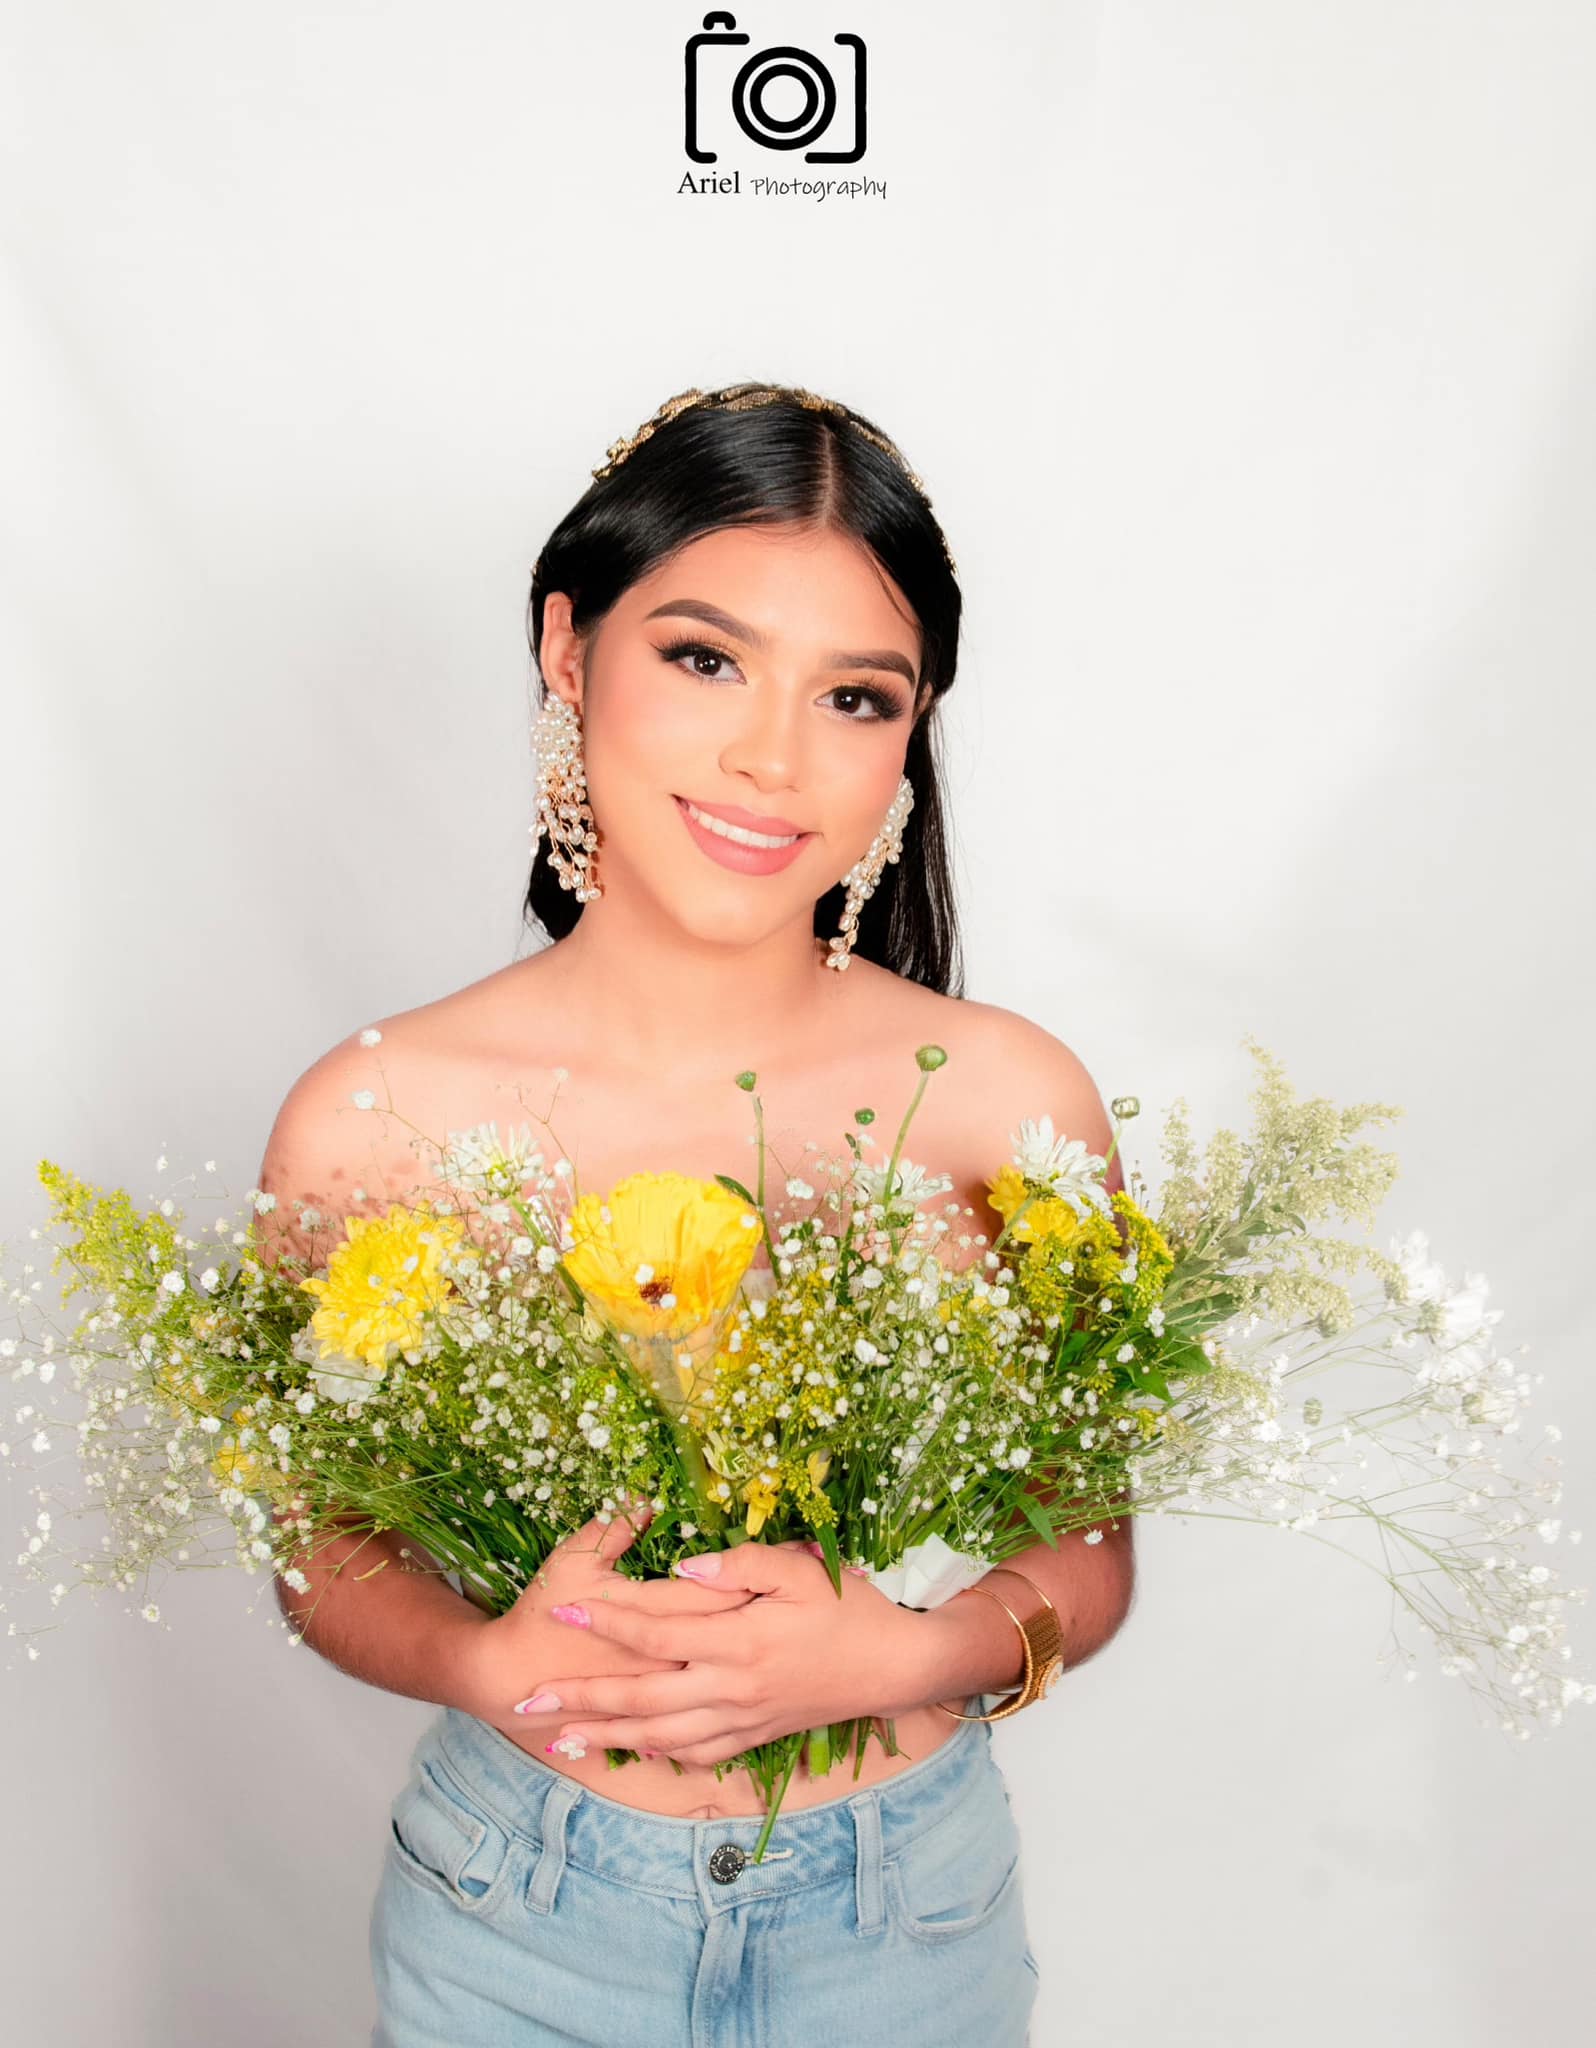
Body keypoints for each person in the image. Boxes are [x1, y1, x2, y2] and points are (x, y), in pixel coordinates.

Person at [258, 381, 1138, 2046]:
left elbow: (1087, 1547)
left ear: (909, 734)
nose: (772, 759)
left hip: (904, 1921)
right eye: (705, 659)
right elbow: (322, 1545)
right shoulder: (373, 1117)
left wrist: (909, 1655)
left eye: (856, 696)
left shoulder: (1004, 1106)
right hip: (521, 1917)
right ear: (567, 647)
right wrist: (477, 1662)